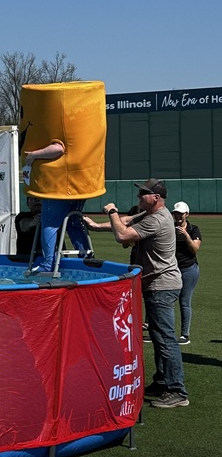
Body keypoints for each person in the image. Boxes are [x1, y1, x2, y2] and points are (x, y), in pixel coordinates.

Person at [84, 178, 188, 409]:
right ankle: (163, 381)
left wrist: (111, 210)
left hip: (162, 285)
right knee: (161, 338)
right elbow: (125, 222)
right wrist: (95, 225)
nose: (139, 196)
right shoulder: (149, 215)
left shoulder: (158, 219)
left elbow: (122, 234)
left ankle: (177, 391)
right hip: (157, 284)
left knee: (165, 340)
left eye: (144, 193)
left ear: (157, 198)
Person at [23, 140, 91, 273]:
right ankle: (87, 257)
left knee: (49, 223)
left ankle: (48, 263)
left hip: (57, 186)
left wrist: (33, 155)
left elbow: (58, 148)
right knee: (73, 222)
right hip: (80, 183)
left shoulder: (57, 131)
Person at [172, 201, 201, 344]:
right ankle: (166, 332)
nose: (177, 215)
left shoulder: (193, 229)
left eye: (180, 213)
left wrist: (186, 236)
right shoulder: (169, 228)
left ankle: (185, 335)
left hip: (189, 269)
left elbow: (195, 249)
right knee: (168, 300)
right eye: (175, 213)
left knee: (184, 301)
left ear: (186, 214)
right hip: (172, 269)